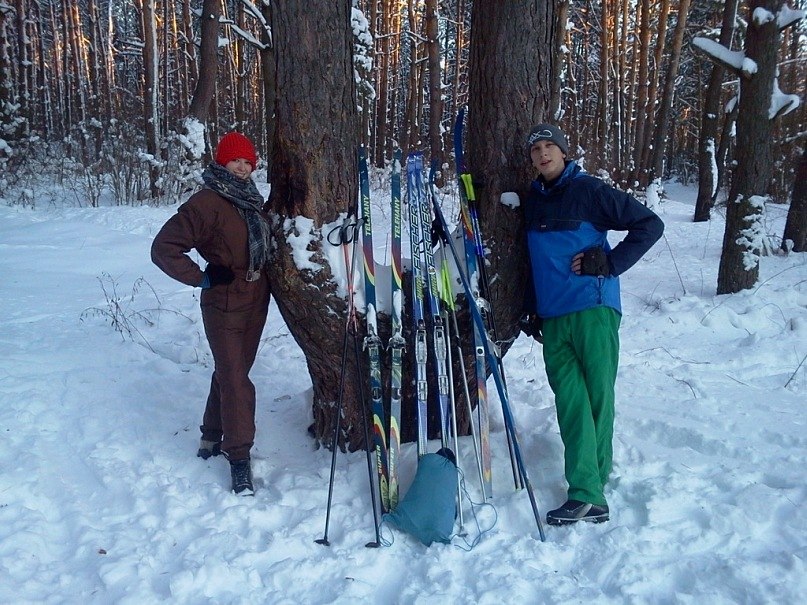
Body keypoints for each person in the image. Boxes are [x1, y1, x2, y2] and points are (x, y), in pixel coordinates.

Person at [521, 124, 664, 525]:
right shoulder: (534, 201)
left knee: (598, 396)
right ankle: (591, 487)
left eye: (551, 146)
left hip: (593, 308)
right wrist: (533, 307)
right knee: (570, 402)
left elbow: (649, 225)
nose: (543, 153)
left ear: (564, 152)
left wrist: (611, 262)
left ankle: (589, 491)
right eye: (536, 148)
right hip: (553, 318)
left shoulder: (589, 191)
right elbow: (535, 261)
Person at [151, 132, 272, 496]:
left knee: (232, 372)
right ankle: (238, 458)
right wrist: (202, 277)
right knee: (236, 379)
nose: (242, 167)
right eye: (235, 160)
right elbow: (164, 248)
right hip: (224, 300)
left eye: (248, 162)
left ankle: (209, 436)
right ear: (222, 161)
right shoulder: (207, 201)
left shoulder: (251, 200)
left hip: (256, 297)